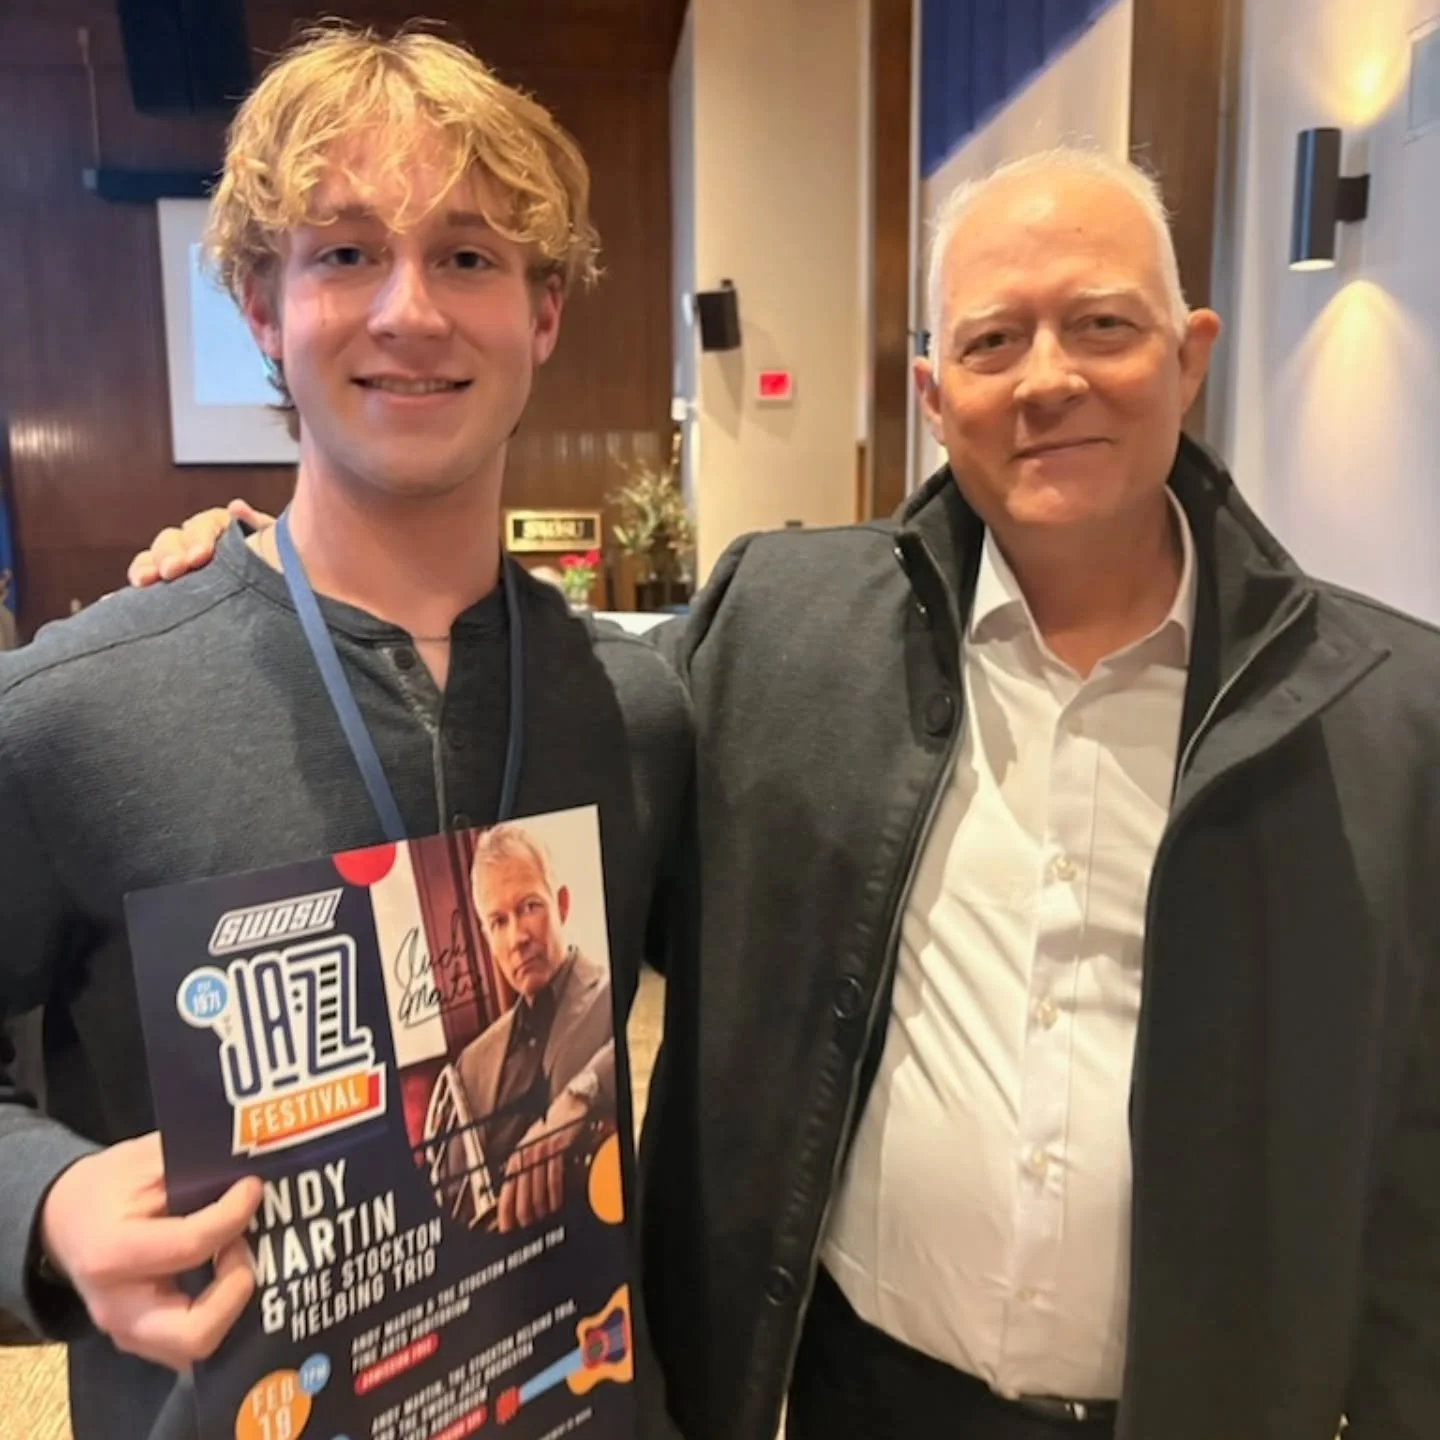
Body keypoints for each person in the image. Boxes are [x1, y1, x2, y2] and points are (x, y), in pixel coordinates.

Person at [135, 147, 1440, 1440]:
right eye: (994, 342)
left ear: (1189, 354)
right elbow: (516, 776)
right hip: (862, 1395)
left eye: (1103, 326)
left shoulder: (1384, 712)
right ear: (932, 389)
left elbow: (1421, 1151)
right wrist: (294, 596)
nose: (1049, 379)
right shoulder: (782, 630)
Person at [0, 24, 688, 1440]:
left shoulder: (639, 713)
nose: (411, 311)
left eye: (471, 256)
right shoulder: (76, 712)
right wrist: (48, 1202)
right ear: (264, 304)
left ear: (544, 312)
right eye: (347, 253)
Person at [430, 822, 617, 1234]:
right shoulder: (471, 1063)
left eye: (530, 907)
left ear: (562, 904)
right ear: (487, 937)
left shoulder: (612, 995)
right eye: (498, 921)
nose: (517, 937)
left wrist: (578, 1096)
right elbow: (453, 1204)